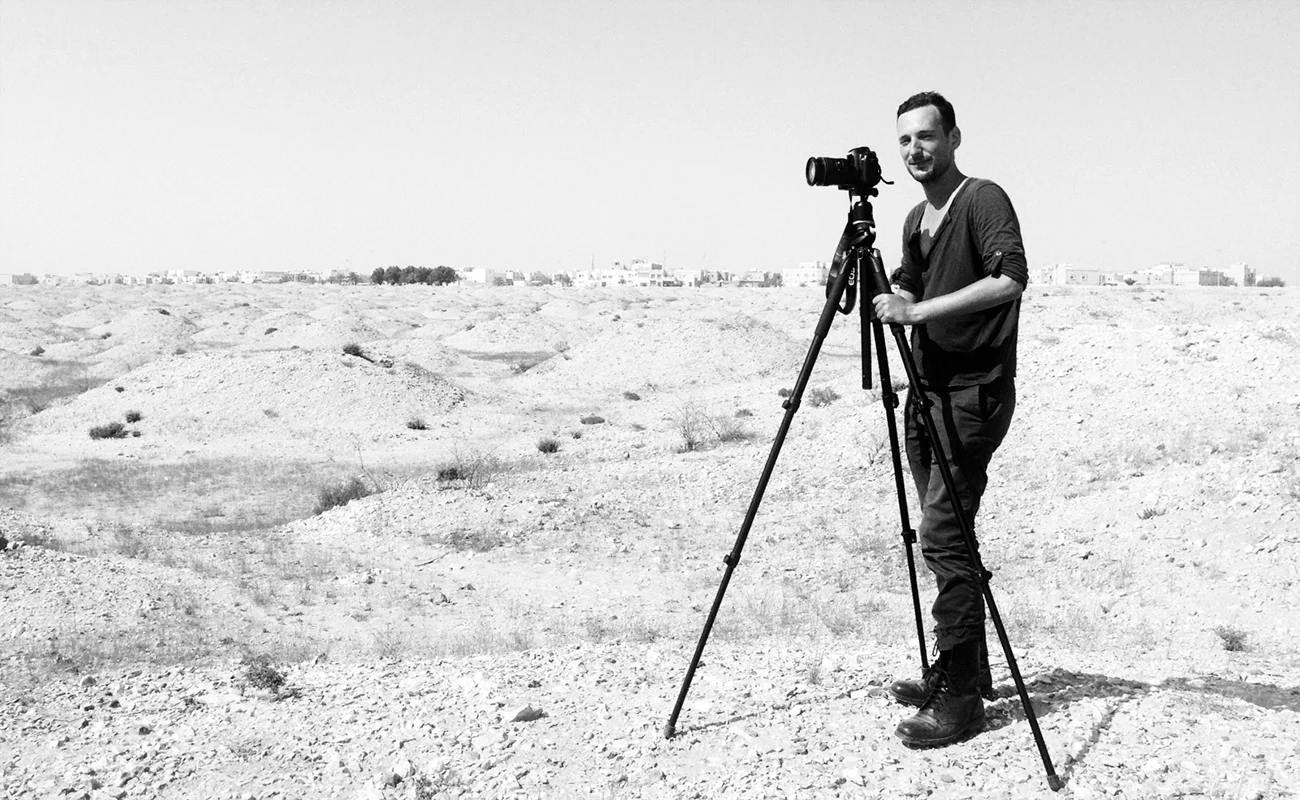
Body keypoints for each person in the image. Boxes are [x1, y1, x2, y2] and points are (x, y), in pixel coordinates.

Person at [871, 91, 1027, 747]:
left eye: (926, 137)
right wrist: (896, 294)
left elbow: (1011, 278)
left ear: (953, 137)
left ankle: (960, 699)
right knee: (952, 536)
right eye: (904, 141)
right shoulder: (914, 217)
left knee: (940, 536)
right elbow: (911, 279)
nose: (915, 150)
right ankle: (965, 666)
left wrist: (918, 314)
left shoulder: (981, 199)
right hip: (926, 393)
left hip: (972, 394)